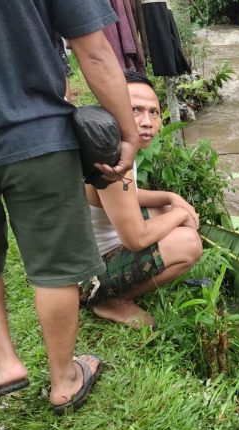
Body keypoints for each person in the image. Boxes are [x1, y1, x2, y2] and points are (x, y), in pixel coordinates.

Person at [0, 2, 139, 414]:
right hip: (36, 132)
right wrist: (126, 132)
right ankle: (65, 379)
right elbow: (92, 49)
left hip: (34, 131)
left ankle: (3, 363)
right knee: (54, 265)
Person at [80, 69, 203, 329]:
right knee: (188, 242)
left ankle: (117, 287)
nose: (147, 121)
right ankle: (109, 300)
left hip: (95, 250)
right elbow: (136, 240)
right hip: (85, 276)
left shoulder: (119, 144)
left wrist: (172, 197)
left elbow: (125, 197)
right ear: (114, 110)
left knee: (166, 207)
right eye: (135, 110)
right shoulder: (111, 158)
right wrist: (181, 214)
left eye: (153, 112)